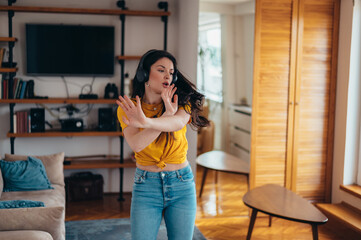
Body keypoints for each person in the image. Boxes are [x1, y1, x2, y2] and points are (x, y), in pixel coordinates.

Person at [116, 49, 209, 240]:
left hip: (181, 183)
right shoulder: (129, 108)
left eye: (171, 72)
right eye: (161, 70)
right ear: (144, 74)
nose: (168, 75)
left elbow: (176, 123)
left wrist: (146, 122)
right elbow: (137, 144)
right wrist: (165, 115)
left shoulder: (182, 101)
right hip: (146, 186)